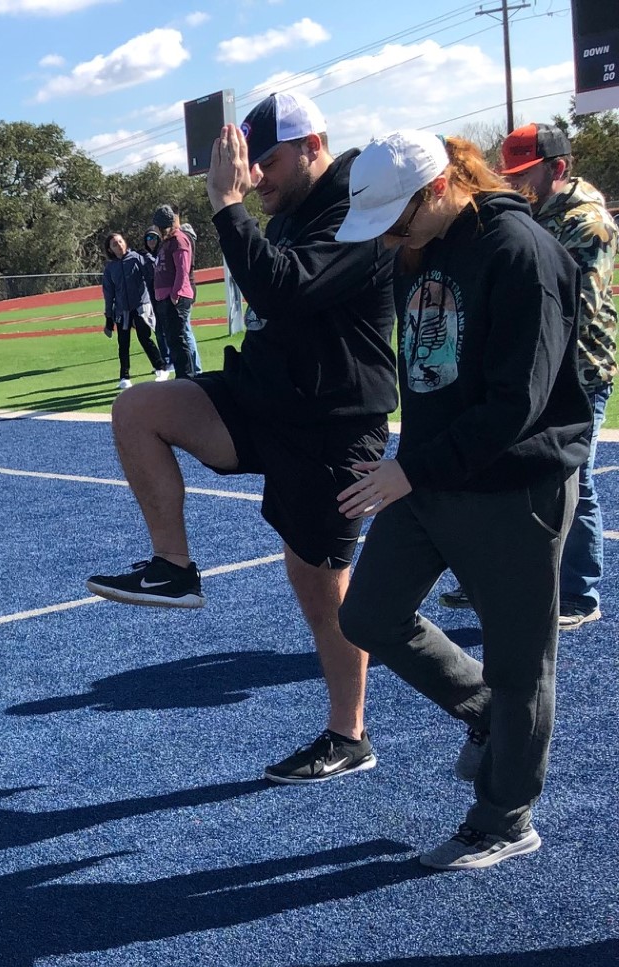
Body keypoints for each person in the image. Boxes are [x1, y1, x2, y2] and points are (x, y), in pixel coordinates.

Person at [86, 93, 399, 786]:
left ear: (314, 144)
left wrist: (227, 208)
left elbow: (282, 290)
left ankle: (352, 733)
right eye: (250, 164)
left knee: (322, 591)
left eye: (272, 160)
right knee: (138, 409)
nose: (259, 177)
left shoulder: (359, 212)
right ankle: (173, 566)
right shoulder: (291, 213)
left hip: (330, 424)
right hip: (267, 401)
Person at [334, 132, 591, 870]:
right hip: (436, 474)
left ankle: (506, 816)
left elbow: (518, 403)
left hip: (515, 486)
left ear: (440, 186)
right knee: (370, 614)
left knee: (520, 664)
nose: (386, 236)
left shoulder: (521, 253)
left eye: (395, 218)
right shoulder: (426, 249)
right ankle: (485, 717)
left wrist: (411, 471)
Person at [442, 123, 615, 628]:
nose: (515, 185)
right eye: (509, 173)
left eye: (526, 174)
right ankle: (494, 578)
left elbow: (572, 307)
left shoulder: (590, 224)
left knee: (572, 481)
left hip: (580, 374)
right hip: (530, 371)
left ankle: (579, 594)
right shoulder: (526, 216)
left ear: (557, 169)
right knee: (507, 474)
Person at [100, 234, 166, 390]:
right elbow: (109, 293)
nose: (119, 245)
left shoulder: (137, 258)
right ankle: (124, 377)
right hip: (122, 311)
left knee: (145, 338)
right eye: (115, 244)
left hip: (141, 307)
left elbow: (152, 273)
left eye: (120, 241)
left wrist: (149, 256)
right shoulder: (110, 268)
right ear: (110, 249)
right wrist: (109, 317)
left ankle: (161, 368)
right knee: (123, 344)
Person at [152, 204, 200, 379]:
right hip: (164, 297)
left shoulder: (179, 240)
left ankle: (187, 376)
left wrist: (175, 294)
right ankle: (182, 376)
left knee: (179, 340)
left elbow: (182, 269)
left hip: (176, 298)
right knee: (172, 340)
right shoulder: (167, 242)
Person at [141, 229, 172, 373]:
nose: (151, 241)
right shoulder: (144, 257)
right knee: (159, 330)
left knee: (169, 328)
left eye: (153, 237)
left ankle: (172, 359)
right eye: (148, 238)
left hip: (165, 295)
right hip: (152, 297)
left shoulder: (163, 253)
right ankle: (164, 359)